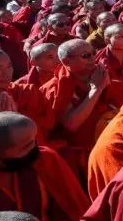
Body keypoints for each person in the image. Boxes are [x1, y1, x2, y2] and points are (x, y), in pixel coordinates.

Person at [43, 39, 117, 181]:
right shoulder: (57, 87)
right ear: (66, 61)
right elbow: (71, 125)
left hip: (110, 141)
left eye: (93, 53)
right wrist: (96, 90)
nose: (93, 59)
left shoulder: (101, 74)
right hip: (81, 154)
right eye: (85, 56)